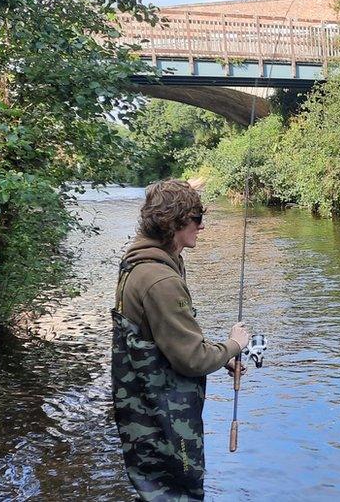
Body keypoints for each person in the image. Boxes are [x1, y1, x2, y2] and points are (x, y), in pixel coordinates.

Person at [111, 179, 249, 501]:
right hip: (162, 419)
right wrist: (234, 344)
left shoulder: (141, 262)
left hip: (144, 413)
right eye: (197, 219)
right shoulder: (160, 280)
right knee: (178, 492)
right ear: (174, 223)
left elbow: (166, 341)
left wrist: (220, 356)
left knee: (154, 488)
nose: (202, 227)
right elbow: (191, 359)